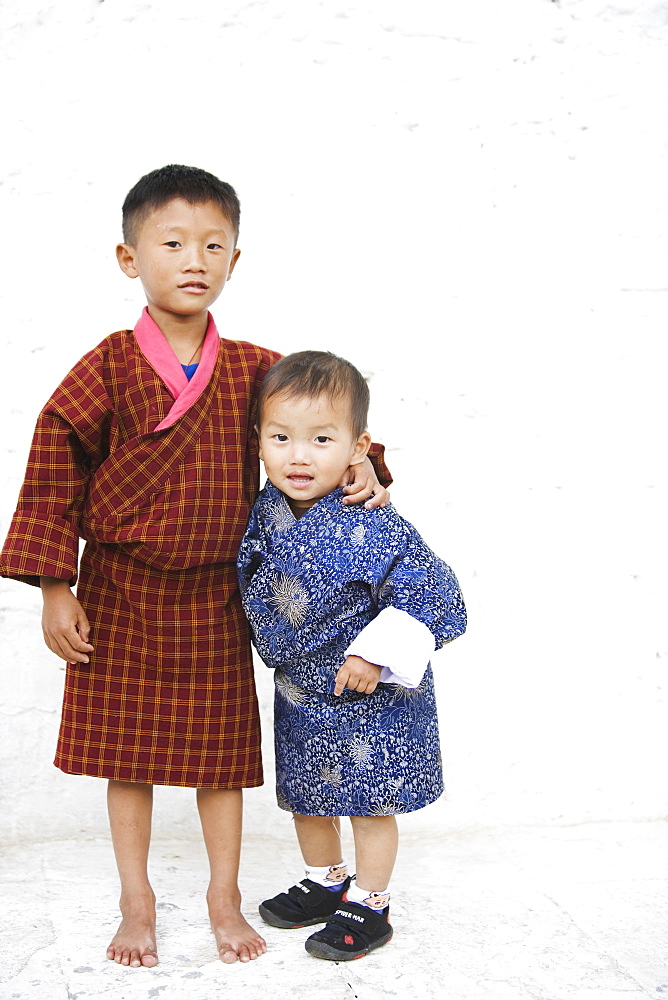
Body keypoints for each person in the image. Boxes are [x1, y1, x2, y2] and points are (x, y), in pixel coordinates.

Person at [0, 166, 391, 968]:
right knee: (125, 757)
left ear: (235, 262)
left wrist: (365, 461)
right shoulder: (106, 365)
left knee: (219, 759)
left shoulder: (254, 368)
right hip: (121, 592)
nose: (194, 259)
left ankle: (223, 894)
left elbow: (320, 416)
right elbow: (53, 466)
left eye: (214, 245)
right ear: (127, 257)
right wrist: (54, 587)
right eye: (172, 243)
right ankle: (135, 899)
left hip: (218, 594)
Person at [236, 350, 467, 961]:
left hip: (371, 696)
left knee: (370, 802)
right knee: (308, 796)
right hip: (303, 689)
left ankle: (371, 901)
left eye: (322, 439)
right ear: (258, 441)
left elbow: (435, 592)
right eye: (281, 438)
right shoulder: (264, 509)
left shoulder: (372, 518)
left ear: (357, 445)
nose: (299, 455)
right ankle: (326, 881)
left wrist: (375, 653)